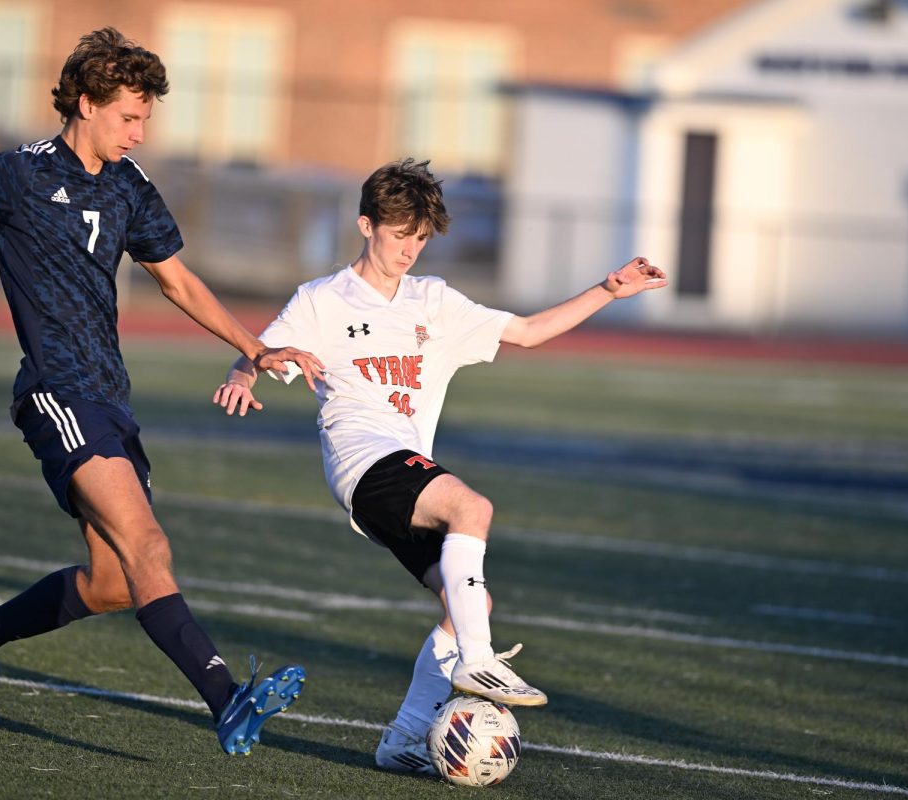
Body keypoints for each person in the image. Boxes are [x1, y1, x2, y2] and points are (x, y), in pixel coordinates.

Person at [0, 28, 325, 756]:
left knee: (112, 581)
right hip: (55, 392)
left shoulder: (132, 187)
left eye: (146, 120)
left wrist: (252, 346)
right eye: (129, 118)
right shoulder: (17, 173)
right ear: (85, 102)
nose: (140, 133)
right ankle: (227, 699)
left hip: (109, 395)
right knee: (148, 547)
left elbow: (176, 281)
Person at [212, 158, 667, 773]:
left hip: (401, 467)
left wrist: (609, 290)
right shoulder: (322, 300)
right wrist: (243, 370)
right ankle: (478, 660)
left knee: (467, 604)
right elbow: (264, 350)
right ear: (366, 225)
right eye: (401, 233)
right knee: (471, 507)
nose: (410, 249)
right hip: (362, 458)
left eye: (421, 237)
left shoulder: (434, 302)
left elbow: (528, 331)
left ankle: (403, 736)